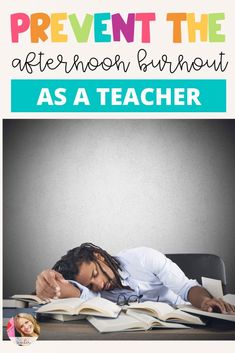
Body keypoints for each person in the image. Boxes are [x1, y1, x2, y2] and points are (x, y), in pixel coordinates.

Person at [36, 243, 235, 313]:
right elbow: (81, 294)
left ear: (99, 256)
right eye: (91, 284)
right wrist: (53, 285)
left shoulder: (144, 257)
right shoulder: (95, 292)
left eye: (95, 274)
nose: (98, 285)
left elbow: (185, 288)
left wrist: (206, 301)